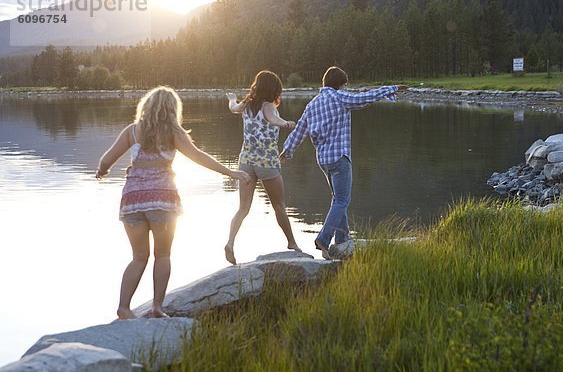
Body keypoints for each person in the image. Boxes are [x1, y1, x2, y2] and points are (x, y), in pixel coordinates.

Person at [96, 86, 250, 319]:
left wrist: (102, 170)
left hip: (132, 201)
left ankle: (124, 308)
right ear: (172, 109)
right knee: (163, 255)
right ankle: (157, 307)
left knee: (138, 257)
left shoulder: (132, 131)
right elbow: (198, 156)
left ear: (146, 107)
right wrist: (230, 172)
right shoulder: (174, 133)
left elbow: (107, 159)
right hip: (163, 200)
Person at [280, 66, 408, 260]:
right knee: (342, 200)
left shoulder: (312, 104)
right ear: (339, 85)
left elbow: (299, 130)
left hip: (323, 160)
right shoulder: (339, 98)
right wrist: (391, 89)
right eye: (344, 85)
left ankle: (342, 240)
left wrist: (287, 150)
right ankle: (324, 238)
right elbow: (365, 98)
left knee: (338, 199)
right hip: (339, 158)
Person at [225, 70, 302, 265]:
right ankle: (292, 243)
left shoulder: (246, 105)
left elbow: (233, 107)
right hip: (267, 163)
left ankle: (230, 242)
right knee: (279, 206)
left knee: (242, 208)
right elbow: (272, 119)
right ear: (273, 89)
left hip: (246, 161)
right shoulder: (268, 106)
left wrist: (232, 99)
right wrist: (285, 123)